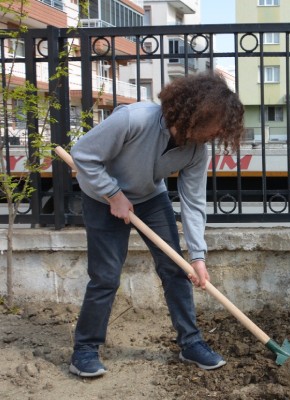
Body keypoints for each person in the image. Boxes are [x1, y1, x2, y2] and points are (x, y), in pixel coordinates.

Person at [69, 73, 245, 377]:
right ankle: (84, 350)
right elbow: (83, 154)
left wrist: (198, 257)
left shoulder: (195, 150)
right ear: (195, 113)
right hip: (101, 196)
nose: (215, 134)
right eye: (214, 126)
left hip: (150, 197)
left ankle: (190, 343)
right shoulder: (134, 119)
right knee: (106, 276)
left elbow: (193, 203)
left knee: (177, 269)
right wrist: (112, 194)